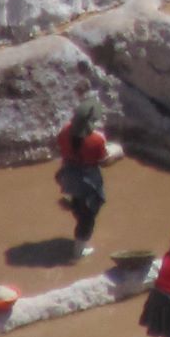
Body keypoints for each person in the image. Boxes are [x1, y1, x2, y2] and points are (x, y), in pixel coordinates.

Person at [55, 97, 120, 261]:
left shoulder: (64, 131)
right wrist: (118, 155)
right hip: (88, 179)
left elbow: (64, 150)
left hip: (69, 174)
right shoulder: (96, 139)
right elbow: (104, 161)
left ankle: (74, 206)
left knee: (79, 203)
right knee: (88, 216)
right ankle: (78, 252)